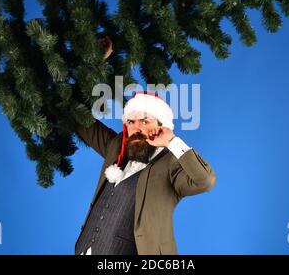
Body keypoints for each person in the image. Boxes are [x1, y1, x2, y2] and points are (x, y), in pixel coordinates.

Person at [73, 91, 216, 255]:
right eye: (131, 122)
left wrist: (172, 141)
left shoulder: (172, 164)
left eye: (145, 121)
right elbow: (82, 121)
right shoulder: (117, 146)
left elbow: (206, 181)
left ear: (162, 125)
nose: (136, 128)